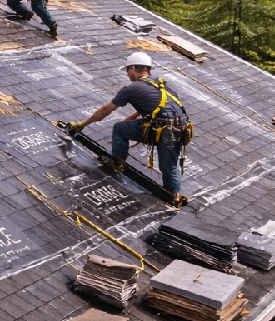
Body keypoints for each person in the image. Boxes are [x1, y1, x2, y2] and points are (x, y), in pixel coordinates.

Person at [67, 52, 191, 206]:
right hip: (180, 129)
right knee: (170, 166)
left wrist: (82, 125)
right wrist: (135, 132)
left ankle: (117, 162)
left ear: (133, 68)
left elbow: (105, 110)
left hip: (162, 128)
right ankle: (174, 196)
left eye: (127, 71)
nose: (127, 75)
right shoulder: (162, 85)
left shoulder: (132, 88)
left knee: (119, 127)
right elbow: (148, 110)